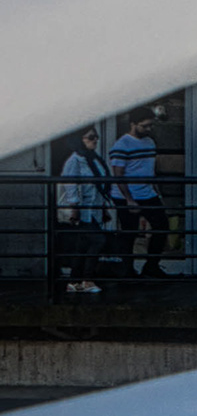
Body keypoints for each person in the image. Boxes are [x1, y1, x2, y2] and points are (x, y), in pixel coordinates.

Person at [53, 126, 108, 295]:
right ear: (80, 140)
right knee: (98, 241)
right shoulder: (75, 160)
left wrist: (104, 206)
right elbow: (70, 185)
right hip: (83, 210)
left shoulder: (94, 158)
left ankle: (75, 280)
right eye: (90, 138)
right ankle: (86, 279)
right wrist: (74, 206)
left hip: (93, 208)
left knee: (82, 244)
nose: (95, 141)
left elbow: (101, 184)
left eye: (96, 137)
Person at [106, 111, 161, 280]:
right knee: (129, 232)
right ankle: (128, 270)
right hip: (126, 195)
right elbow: (118, 175)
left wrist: (156, 191)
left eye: (150, 125)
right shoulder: (122, 145)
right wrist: (129, 199)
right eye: (145, 126)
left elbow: (151, 171)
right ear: (133, 124)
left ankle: (151, 266)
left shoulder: (149, 142)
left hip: (147, 192)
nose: (148, 129)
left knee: (162, 226)